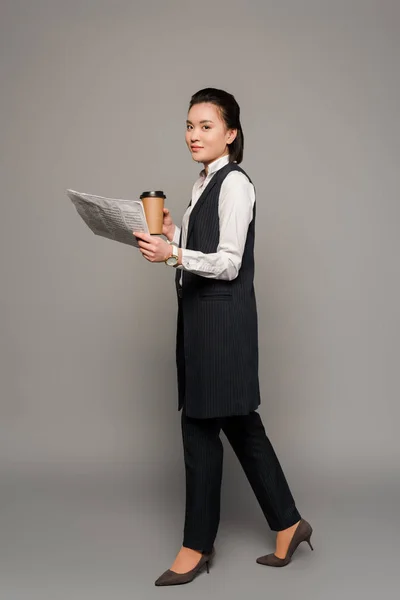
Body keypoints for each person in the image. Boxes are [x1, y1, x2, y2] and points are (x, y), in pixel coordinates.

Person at [133, 88, 313, 587]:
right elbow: (204, 247)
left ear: (231, 133)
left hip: (221, 324)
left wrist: (173, 254)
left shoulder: (234, 184)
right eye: (189, 125)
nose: (194, 134)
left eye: (205, 126)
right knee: (239, 425)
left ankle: (196, 545)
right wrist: (175, 234)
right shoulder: (201, 183)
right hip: (202, 321)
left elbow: (229, 263)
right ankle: (289, 523)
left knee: (199, 429)